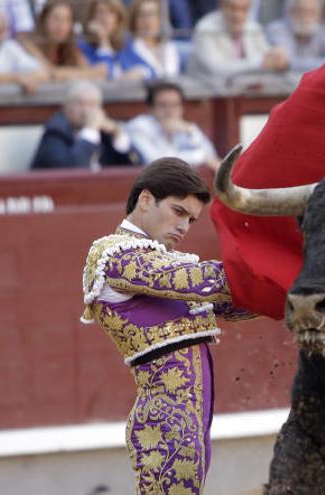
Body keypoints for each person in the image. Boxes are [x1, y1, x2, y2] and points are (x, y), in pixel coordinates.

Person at [80, 158, 254, 494]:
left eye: (191, 219)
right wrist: (267, 264)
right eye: (178, 212)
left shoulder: (164, 264)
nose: (185, 226)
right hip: (166, 421)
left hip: (189, 420)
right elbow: (199, 280)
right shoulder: (113, 254)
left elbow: (229, 303)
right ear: (146, 200)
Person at [30, 80, 133, 169]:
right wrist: (90, 129)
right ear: (65, 107)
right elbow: (72, 170)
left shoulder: (104, 135)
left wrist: (117, 136)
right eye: (80, 104)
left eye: (91, 104)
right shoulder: (55, 133)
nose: (86, 111)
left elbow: (134, 168)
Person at [126, 81, 220, 168]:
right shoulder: (138, 127)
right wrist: (200, 157)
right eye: (163, 105)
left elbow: (211, 156)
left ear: (182, 108)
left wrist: (191, 131)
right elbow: (156, 162)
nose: (169, 111)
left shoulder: (184, 127)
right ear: (151, 109)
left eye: (175, 105)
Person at [189, 0, 290, 80]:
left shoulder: (253, 28)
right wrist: (261, 63)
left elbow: (267, 56)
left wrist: (277, 58)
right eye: (232, 8)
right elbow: (216, 70)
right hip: (207, 97)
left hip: (246, 95)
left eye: (243, 9)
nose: (237, 15)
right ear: (221, 6)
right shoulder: (205, 28)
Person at [20, 0, 107, 81]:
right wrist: (78, 73)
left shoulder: (71, 47)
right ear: (44, 20)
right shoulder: (29, 44)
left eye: (67, 20)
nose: (61, 25)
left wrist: (104, 39)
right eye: (56, 18)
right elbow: (51, 73)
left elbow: (100, 72)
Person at [266, 0, 325, 71]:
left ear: (319, 15)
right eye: (300, 11)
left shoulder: (322, 31)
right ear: (290, 11)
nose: (305, 18)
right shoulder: (276, 30)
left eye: (311, 12)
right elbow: (284, 62)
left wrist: (291, 64)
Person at [118, 0, 181, 79]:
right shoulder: (126, 48)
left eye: (152, 14)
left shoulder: (169, 47)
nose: (147, 21)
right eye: (142, 15)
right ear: (134, 20)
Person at [78, 0, 129, 79]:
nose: (105, 17)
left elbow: (149, 69)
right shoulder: (82, 46)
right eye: (100, 12)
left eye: (111, 12)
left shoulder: (126, 43)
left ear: (118, 19)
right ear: (91, 17)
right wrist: (103, 39)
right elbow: (108, 74)